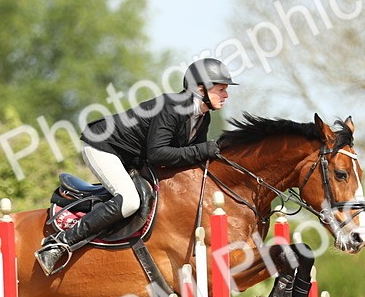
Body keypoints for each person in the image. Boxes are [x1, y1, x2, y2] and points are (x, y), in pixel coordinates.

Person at [35, 57, 239, 275]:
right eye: (221, 89)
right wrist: (202, 150)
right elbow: (158, 153)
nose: (226, 95)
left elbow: (193, 162)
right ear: (200, 89)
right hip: (103, 147)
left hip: (132, 158)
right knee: (130, 201)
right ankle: (58, 244)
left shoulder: (202, 118)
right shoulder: (172, 107)